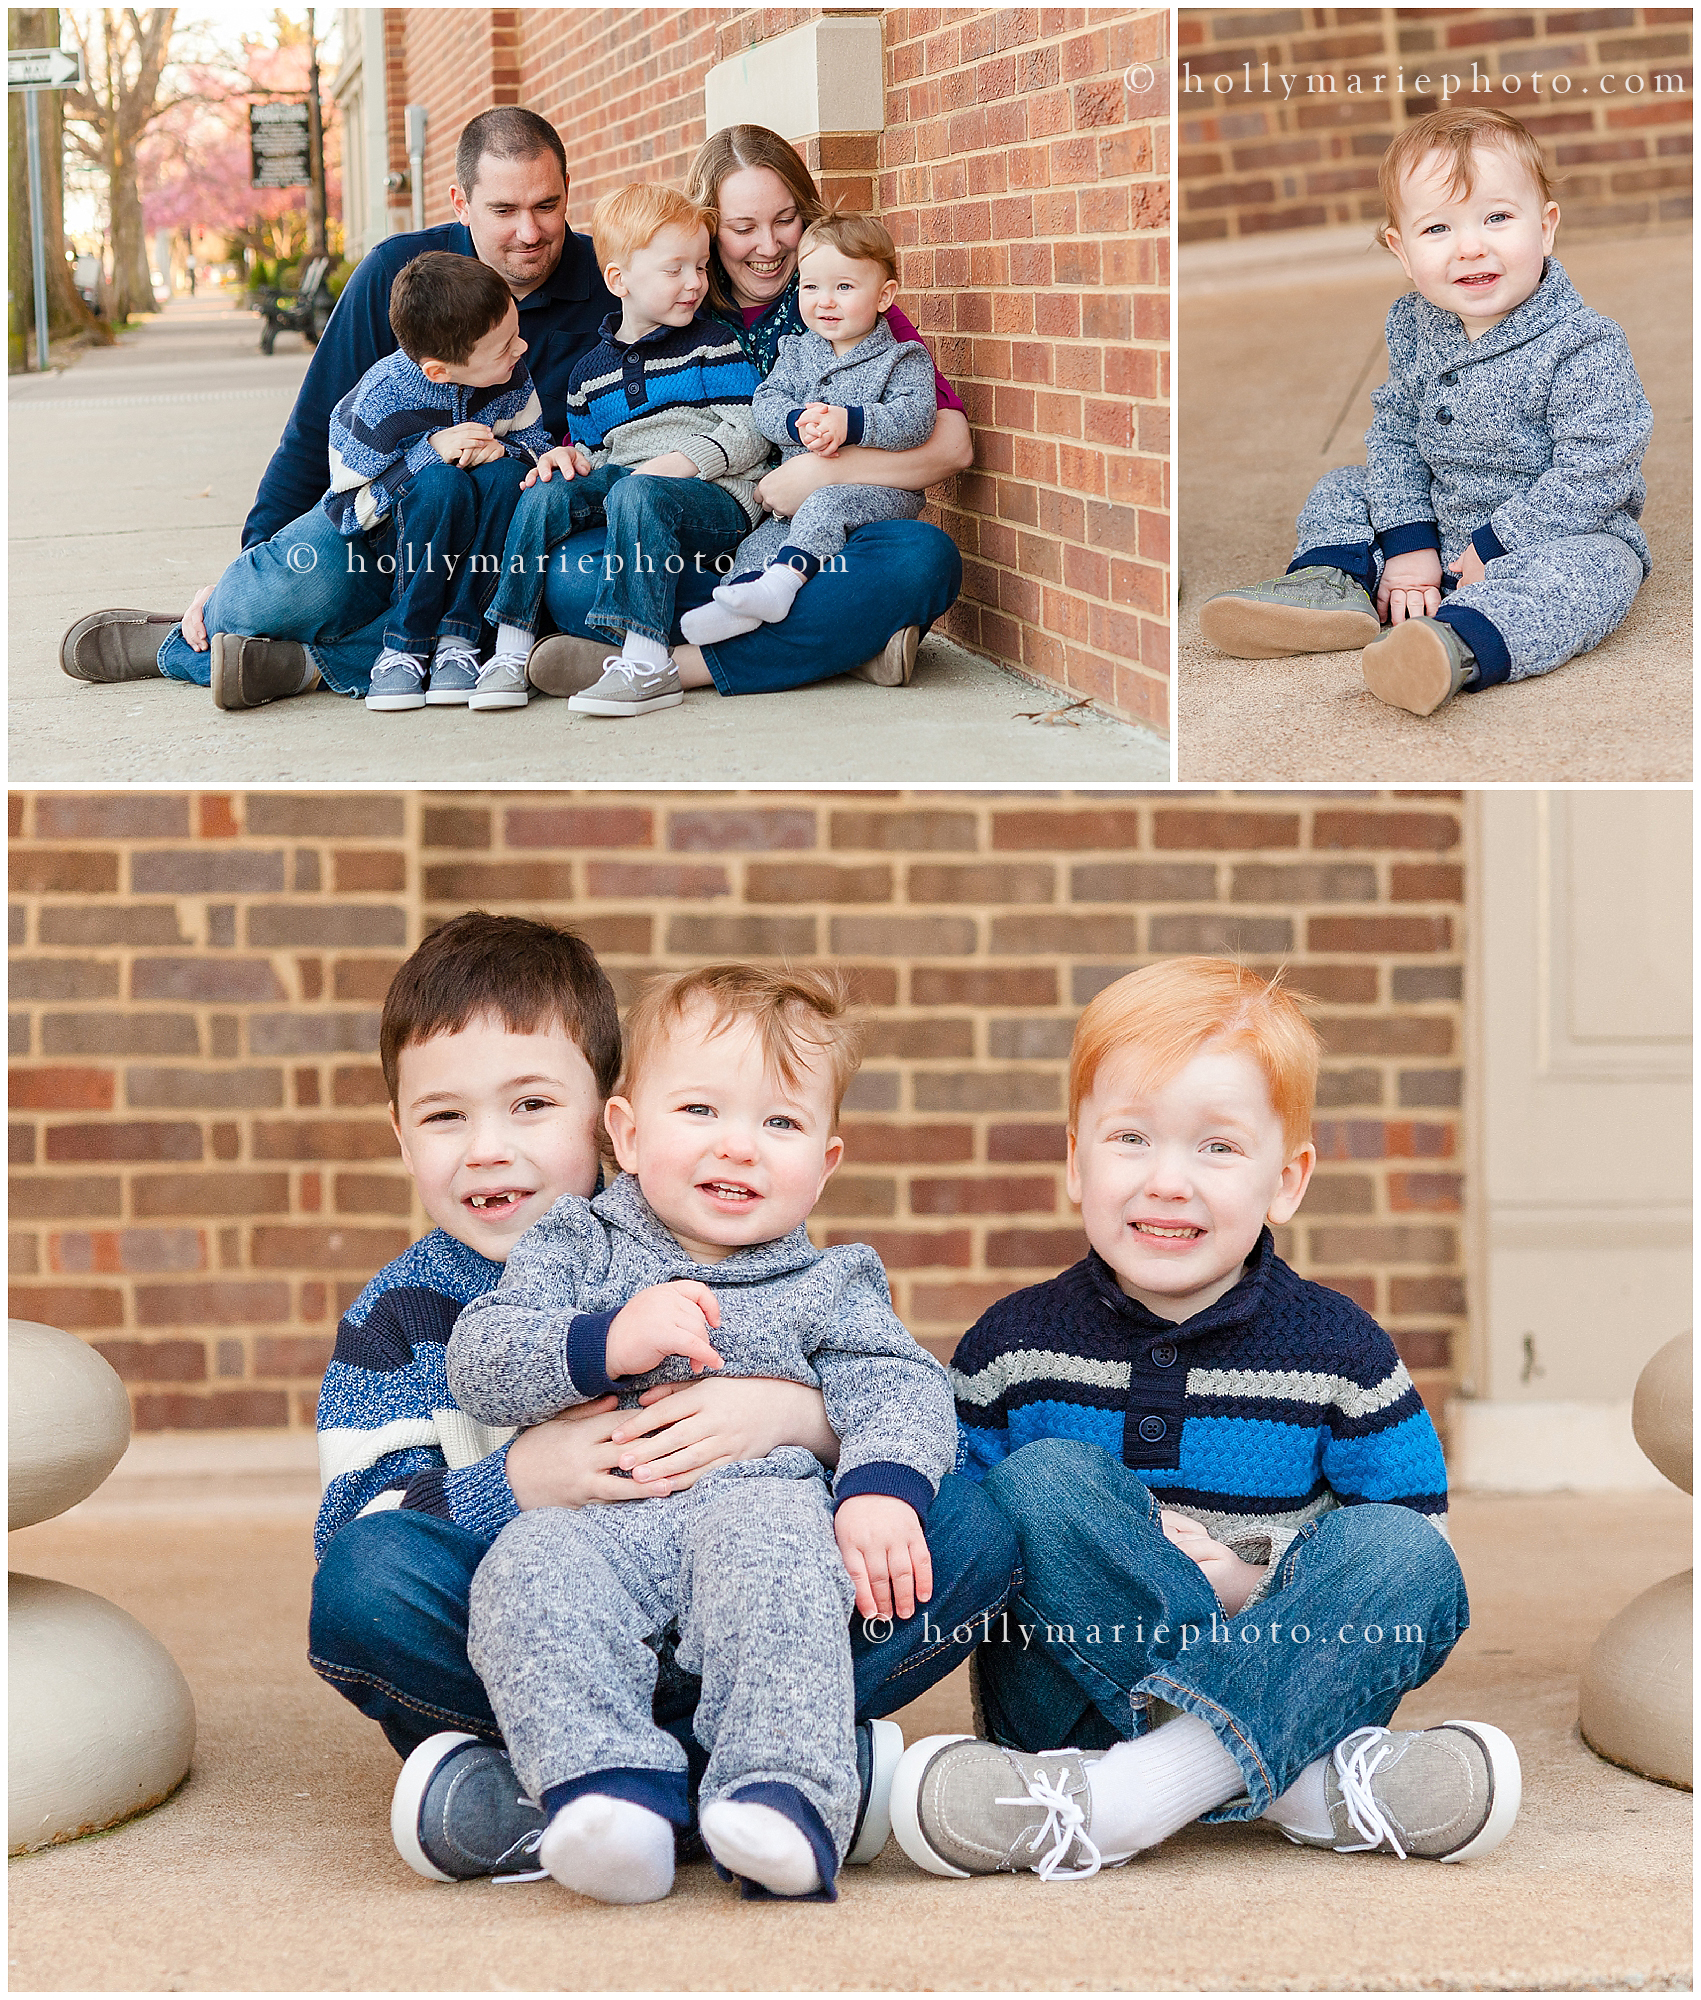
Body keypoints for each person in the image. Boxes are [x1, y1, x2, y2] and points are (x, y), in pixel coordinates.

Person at [308, 913, 1018, 1886]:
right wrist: (523, 1474)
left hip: (758, 1559)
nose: (489, 1150)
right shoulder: (511, 1278)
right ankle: (659, 1783)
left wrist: (796, 1418)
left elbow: (900, 1387)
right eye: (445, 1116)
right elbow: (372, 1518)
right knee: (373, 1580)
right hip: (573, 1596)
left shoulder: (798, 1262)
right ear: (635, 1128)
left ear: (604, 1114)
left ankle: (691, 1786)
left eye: (529, 1105)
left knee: (971, 1519)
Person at [887, 958, 1522, 1881]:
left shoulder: (1339, 1350)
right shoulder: (1011, 1344)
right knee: (1038, 1485)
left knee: (1404, 1553)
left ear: (1286, 1180)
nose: (1167, 1181)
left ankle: (1133, 1793)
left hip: (1286, 1668)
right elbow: (958, 1540)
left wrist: (1246, 1590)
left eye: (1217, 1148)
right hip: (1071, 1696)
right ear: (1075, 1161)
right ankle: (1308, 1788)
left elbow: (1409, 1545)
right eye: (1130, 1139)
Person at [448, 964, 957, 1904]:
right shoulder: (577, 1242)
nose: (741, 1149)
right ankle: (607, 1796)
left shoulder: (833, 1282)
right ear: (628, 1133)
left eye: (780, 1123)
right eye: (701, 1112)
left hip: (757, 1506)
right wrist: (604, 1342)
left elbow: (900, 1383)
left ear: (826, 1161)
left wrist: (881, 1485)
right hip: (605, 1515)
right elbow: (482, 1359)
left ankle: (780, 1798)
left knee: (783, 1579)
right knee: (525, 1573)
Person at [59, 108, 617, 707]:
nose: (529, 232)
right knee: (297, 583)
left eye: (546, 206)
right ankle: (204, 632)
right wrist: (259, 561)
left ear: (567, 194)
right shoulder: (396, 278)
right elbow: (311, 433)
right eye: (504, 211)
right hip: (387, 527)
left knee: (559, 590)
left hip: (509, 535)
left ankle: (294, 662)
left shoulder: (611, 282)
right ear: (460, 201)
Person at [1197, 107, 1652, 717]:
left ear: (1545, 228)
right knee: (1342, 489)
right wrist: (1409, 543)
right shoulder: (1414, 326)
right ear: (1401, 249)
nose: (1471, 247)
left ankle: (1453, 645)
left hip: (1550, 533)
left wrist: (1495, 544)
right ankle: (1332, 587)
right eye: (1437, 229)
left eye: (1497, 217)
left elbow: (1598, 469)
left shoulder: (1584, 342)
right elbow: (1396, 436)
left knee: (1599, 571)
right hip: (1437, 521)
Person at [525, 123, 975, 700]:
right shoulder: (675, 302)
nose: (768, 246)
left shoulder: (839, 296)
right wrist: (564, 455)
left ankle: (681, 666)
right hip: (708, 549)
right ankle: (848, 645)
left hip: (821, 541)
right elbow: (596, 439)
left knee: (923, 559)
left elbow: (953, 446)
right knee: (572, 577)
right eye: (742, 229)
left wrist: (825, 471)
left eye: (785, 220)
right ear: (710, 231)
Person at [474, 183, 768, 718]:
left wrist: (688, 461)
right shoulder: (589, 375)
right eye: (674, 269)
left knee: (639, 491)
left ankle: (648, 661)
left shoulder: (713, 344)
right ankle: (509, 648)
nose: (694, 283)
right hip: (630, 491)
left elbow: (752, 428)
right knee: (544, 494)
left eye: (700, 267)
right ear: (619, 280)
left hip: (716, 496)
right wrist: (569, 462)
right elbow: (595, 454)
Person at [681, 210, 935, 647]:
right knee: (756, 546)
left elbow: (915, 419)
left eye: (844, 287)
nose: (825, 301)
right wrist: (796, 424)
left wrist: (850, 423)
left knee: (826, 510)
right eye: (811, 286)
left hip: (873, 495)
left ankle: (780, 589)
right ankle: (738, 606)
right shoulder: (797, 351)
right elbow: (766, 401)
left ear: (884, 295)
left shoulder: (902, 358)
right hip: (790, 503)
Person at [319, 252, 551, 713]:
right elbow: (348, 512)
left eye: (516, 335)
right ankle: (403, 646)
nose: (521, 349)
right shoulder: (380, 400)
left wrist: (510, 451)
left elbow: (535, 439)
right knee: (443, 485)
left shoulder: (509, 375)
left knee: (508, 476)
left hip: (478, 544)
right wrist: (430, 454)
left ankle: (457, 642)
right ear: (438, 371)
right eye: (505, 346)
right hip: (402, 542)